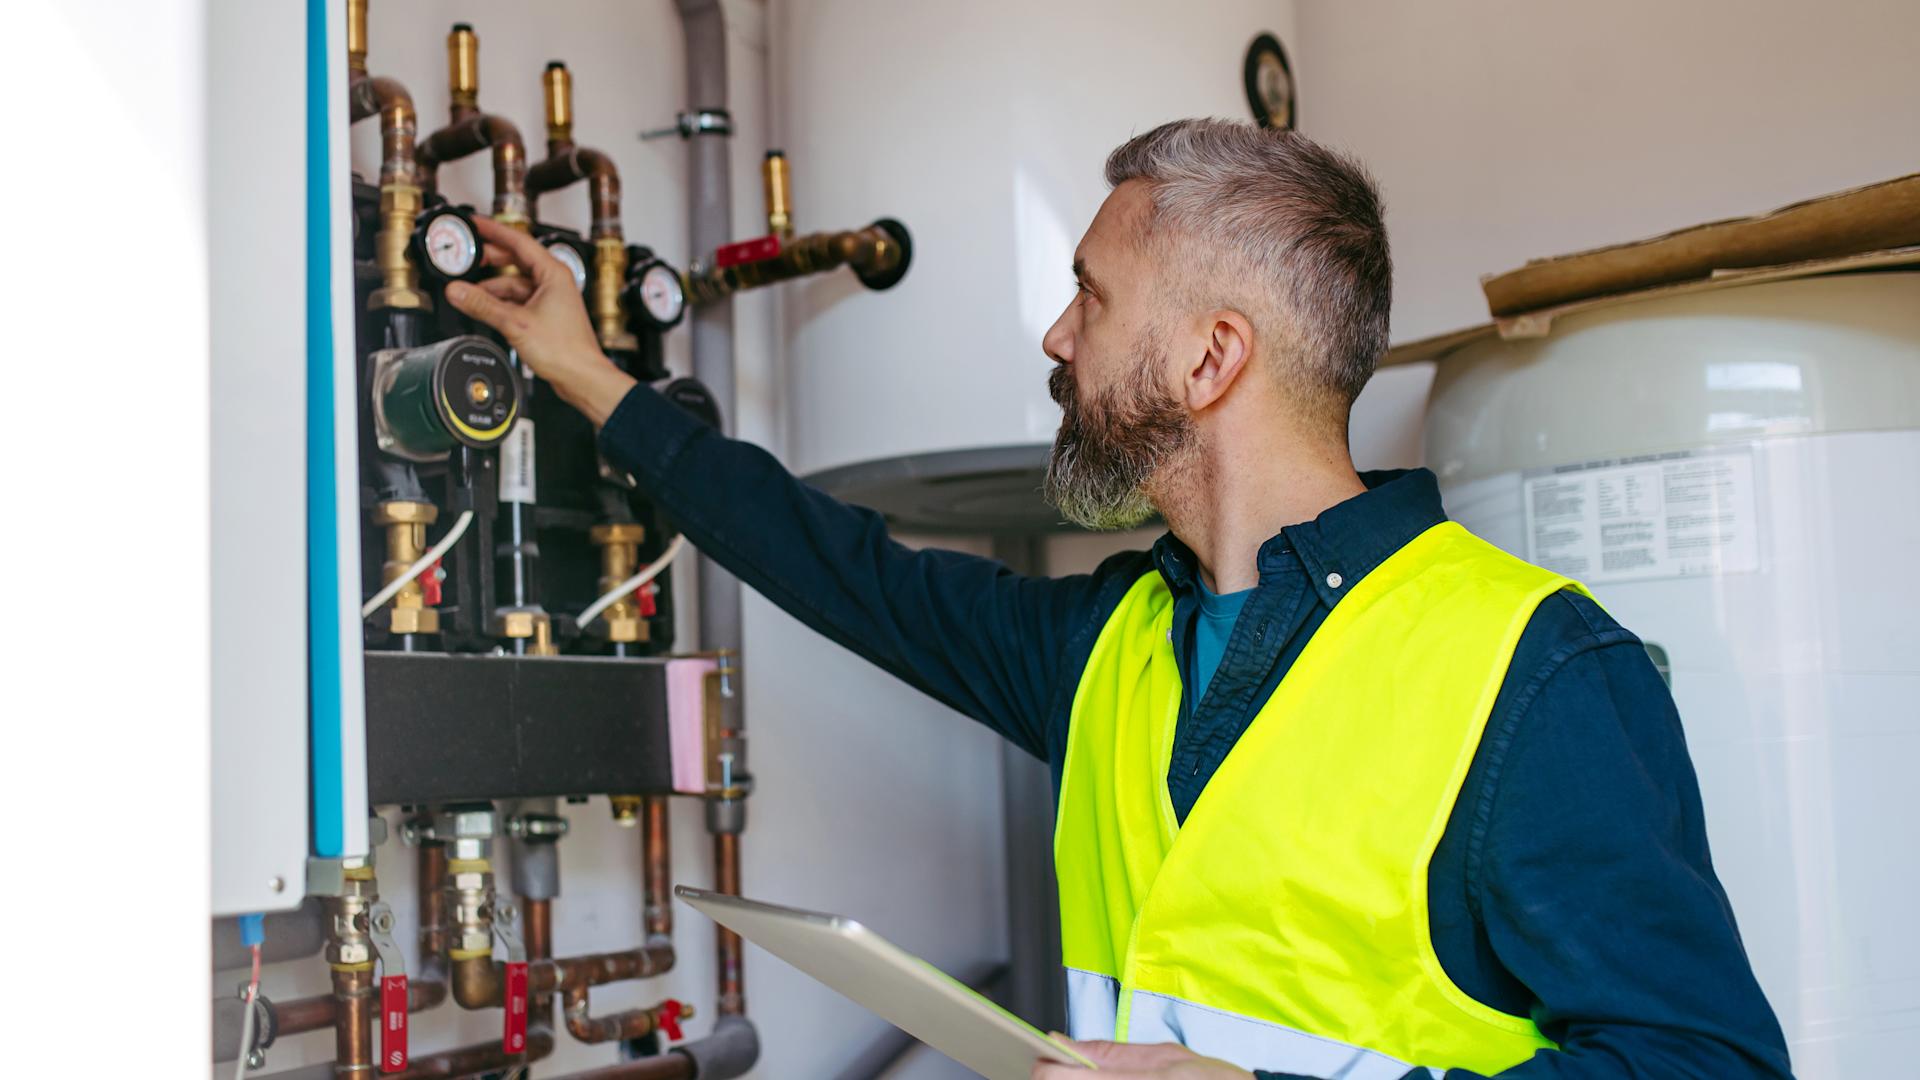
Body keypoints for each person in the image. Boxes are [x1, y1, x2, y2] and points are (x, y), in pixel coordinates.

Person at [446, 119, 1792, 1080]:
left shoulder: (1533, 671)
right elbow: (839, 567)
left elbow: (1705, 1064)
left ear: (1212, 358)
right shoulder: (1108, 647)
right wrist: (592, 381)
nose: (1056, 335)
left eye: (1089, 295)